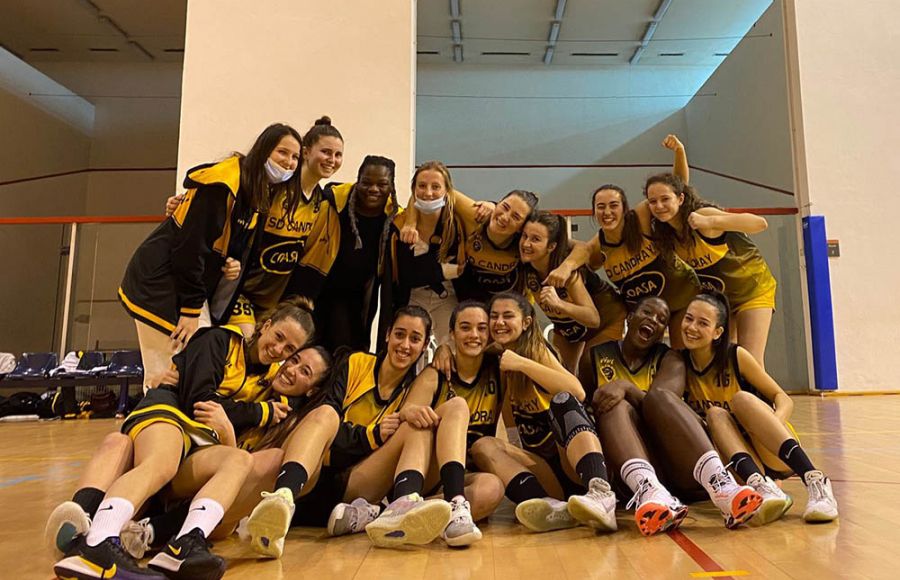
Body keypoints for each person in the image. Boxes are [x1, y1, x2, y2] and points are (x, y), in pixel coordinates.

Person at [52, 300, 314, 579]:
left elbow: (217, 412)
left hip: (197, 444)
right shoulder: (220, 340)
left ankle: (185, 544)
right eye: (279, 338)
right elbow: (199, 401)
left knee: (239, 459)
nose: (278, 350)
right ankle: (94, 539)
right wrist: (258, 412)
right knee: (156, 459)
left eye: (289, 349)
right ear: (266, 325)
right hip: (172, 410)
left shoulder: (273, 383)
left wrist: (228, 421)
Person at [246, 306, 452, 554]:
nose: (405, 345)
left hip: (353, 487)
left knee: (418, 424)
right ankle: (281, 498)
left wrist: (446, 349)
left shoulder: (413, 392)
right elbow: (323, 424)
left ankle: (400, 508)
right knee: (326, 414)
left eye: (415, 339)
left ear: (423, 347)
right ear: (387, 335)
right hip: (313, 474)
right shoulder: (355, 363)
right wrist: (371, 436)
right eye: (399, 334)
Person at [121, 123, 304, 389]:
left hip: (188, 288)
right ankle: (150, 425)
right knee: (167, 373)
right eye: (282, 153)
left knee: (196, 363)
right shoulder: (224, 182)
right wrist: (190, 309)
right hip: (161, 285)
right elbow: (190, 248)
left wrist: (231, 263)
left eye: (295, 157)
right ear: (264, 150)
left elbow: (225, 243)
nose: (288, 163)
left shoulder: (256, 191)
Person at [582, 296, 763, 532]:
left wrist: (626, 387)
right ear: (630, 318)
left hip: (677, 464)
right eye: (647, 313)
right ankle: (648, 490)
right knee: (612, 405)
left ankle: (722, 485)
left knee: (657, 396)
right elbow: (584, 409)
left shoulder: (671, 358)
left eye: (661, 320)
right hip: (626, 469)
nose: (653, 321)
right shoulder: (594, 356)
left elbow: (658, 404)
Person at [164, 117, 346, 338]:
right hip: (239, 292)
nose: (332, 160)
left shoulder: (323, 206)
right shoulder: (274, 187)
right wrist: (183, 203)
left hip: (272, 304)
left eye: (338, 155)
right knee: (242, 343)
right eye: (326, 152)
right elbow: (221, 205)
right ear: (307, 152)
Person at [464, 292, 618, 534]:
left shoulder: (534, 349)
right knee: (483, 446)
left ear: (526, 322)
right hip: (545, 470)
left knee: (563, 401)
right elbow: (507, 411)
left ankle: (601, 494)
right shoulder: (500, 357)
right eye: (494, 316)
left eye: (508, 316)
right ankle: (550, 507)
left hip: (576, 465)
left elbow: (577, 391)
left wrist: (521, 364)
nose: (499, 322)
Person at [679, 292, 839, 523]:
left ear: (717, 332)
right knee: (714, 413)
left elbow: (782, 397)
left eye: (703, 323)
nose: (692, 327)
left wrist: (771, 424)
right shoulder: (679, 365)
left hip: (772, 448)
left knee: (741, 399)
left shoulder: (736, 356)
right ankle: (761, 486)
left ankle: (815, 480)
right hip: (738, 457)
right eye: (688, 318)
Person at [359, 300, 507, 546]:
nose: (474, 335)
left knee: (492, 489)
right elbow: (409, 412)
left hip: (460, 473)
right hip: (424, 469)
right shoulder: (434, 373)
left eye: (482, 328)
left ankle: (386, 514)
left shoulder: (498, 370)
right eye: (465, 327)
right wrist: (443, 351)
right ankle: (450, 504)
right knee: (456, 406)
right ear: (451, 333)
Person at [545, 135, 700, 348]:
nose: (607, 212)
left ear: (624, 208)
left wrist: (679, 151)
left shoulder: (639, 219)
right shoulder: (600, 245)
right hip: (646, 316)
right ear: (594, 212)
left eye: (613, 205)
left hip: (682, 300)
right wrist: (565, 267)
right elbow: (582, 252)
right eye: (600, 206)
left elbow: (677, 186)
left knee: (682, 358)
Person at [644, 171, 777, 366]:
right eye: (653, 201)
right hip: (722, 299)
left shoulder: (702, 216)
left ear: (680, 198)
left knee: (750, 360)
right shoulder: (667, 234)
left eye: (665, 199)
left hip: (753, 290)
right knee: (723, 360)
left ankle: (769, 397)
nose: (659, 206)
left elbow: (759, 223)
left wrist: (712, 221)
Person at [520, 211, 626, 371]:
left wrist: (559, 304)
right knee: (559, 372)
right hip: (568, 327)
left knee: (590, 366)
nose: (526, 244)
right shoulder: (526, 266)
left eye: (535, 239)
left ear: (551, 246)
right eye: (524, 236)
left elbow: (593, 318)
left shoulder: (568, 274)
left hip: (605, 319)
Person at [313, 155, 399, 352]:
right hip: (321, 288)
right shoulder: (332, 203)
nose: (374, 189)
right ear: (357, 181)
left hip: (359, 299)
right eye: (366, 182)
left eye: (382, 184)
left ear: (391, 187)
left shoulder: (395, 221)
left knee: (349, 351)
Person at [386, 161, 465, 346]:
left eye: (436, 187)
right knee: (406, 349)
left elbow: (463, 268)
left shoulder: (458, 224)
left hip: (447, 296)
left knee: (453, 350)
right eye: (422, 186)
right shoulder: (399, 224)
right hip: (412, 296)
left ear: (447, 190)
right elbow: (407, 275)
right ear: (413, 189)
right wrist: (445, 270)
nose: (428, 193)